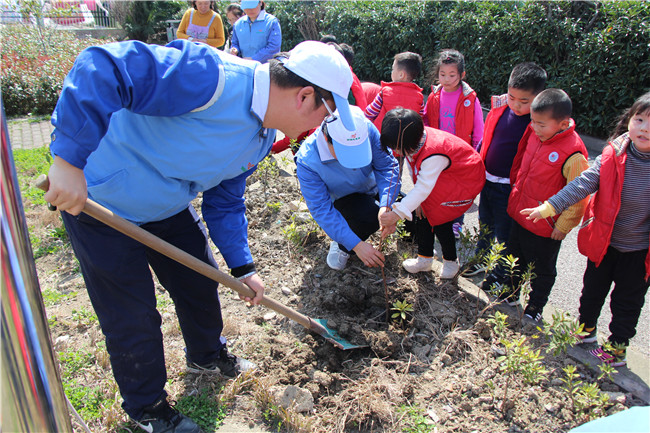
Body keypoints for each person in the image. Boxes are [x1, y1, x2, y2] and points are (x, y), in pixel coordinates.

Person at [45, 40, 356, 433]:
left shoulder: (260, 137)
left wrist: (243, 267)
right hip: (102, 202)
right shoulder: (210, 79)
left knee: (200, 285)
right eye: (326, 113)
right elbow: (103, 66)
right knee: (133, 315)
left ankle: (207, 356)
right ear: (305, 95)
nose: (319, 126)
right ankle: (149, 410)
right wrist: (68, 160)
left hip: (166, 206)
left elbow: (224, 202)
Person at [521, 92, 650, 367]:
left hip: (639, 252)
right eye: (639, 119)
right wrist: (549, 207)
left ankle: (617, 348)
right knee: (592, 290)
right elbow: (583, 183)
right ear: (630, 119)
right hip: (604, 242)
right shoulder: (614, 154)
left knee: (627, 301)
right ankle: (586, 331)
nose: (644, 128)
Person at [493, 89, 589, 322]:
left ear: (563, 123)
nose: (535, 127)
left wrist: (563, 225)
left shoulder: (574, 153)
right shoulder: (535, 133)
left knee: (542, 270)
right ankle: (511, 293)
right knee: (514, 257)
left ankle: (535, 306)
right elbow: (521, 165)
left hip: (547, 226)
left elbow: (578, 195)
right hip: (521, 213)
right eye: (533, 122)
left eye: (541, 124)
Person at [379, 108, 486, 280]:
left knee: (440, 220)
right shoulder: (414, 140)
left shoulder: (433, 154)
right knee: (422, 214)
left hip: (461, 180)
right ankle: (425, 259)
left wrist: (396, 214)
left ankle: (451, 261)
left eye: (398, 147)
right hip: (442, 176)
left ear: (408, 142)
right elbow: (416, 173)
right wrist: (418, 203)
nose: (396, 152)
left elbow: (423, 188)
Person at [465, 62, 547, 277]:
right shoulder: (500, 109)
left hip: (510, 188)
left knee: (505, 234)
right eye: (512, 97)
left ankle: (502, 273)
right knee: (485, 225)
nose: (516, 105)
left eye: (524, 101)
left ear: (538, 98)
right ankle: (481, 259)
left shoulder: (537, 124)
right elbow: (488, 136)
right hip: (488, 180)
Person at [295, 106, 400, 271]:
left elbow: (387, 167)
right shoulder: (307, 160)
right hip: (345, 201)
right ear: (325, 137)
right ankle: (341, 245)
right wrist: (357, 245)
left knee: (409, 212)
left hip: (371, 186)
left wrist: (386, 205)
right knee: (368, 214)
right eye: (344, 152)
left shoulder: (365, 128)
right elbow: (321, 209)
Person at [423, 49, 484, 239]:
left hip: (460, 153)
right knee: (438, 185)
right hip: (437, 150)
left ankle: (457, 222)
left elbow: (479, 129)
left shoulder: (470, 98)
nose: (446, 79)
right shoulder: (434, 96)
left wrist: (474, 152)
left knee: (457, 189)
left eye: (452, 75)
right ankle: (438, 219)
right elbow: (425, 120)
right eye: (442, 74)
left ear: (462, 75)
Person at [365, 52, 425, 132]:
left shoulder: (385, 92)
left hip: (383, 136)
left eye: (393, 69)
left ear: (401, 75)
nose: (392, 72)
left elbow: (370, 113)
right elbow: (419, 120)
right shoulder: (419, 97)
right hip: (406, 139)